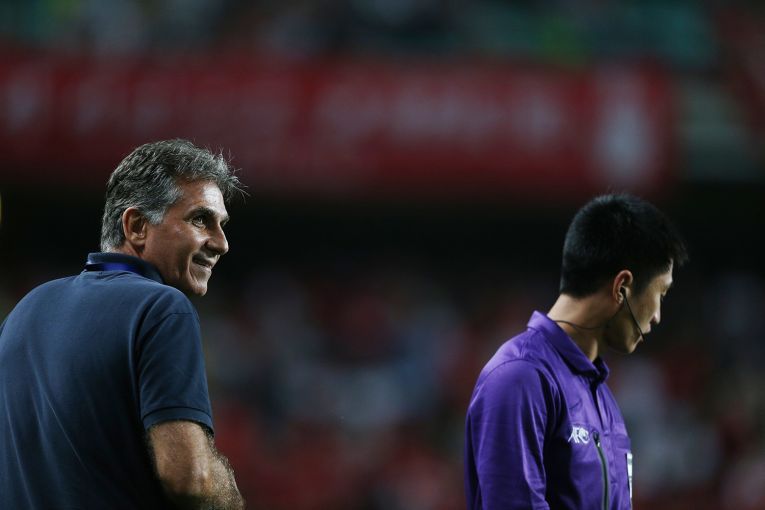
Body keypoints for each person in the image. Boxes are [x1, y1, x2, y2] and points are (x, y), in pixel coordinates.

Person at [0, 139, 246, 509]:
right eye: (200, 219)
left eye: (221, 225)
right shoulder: (161, 308)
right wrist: (230, 497)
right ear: (137, 226)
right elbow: (190, 479)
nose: (221, 243)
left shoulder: (26, 309)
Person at [464, 193, 688, 510]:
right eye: (660, 293)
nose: (657, 317)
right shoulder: (520, 378)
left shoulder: (604, 401)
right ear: (622, 286)